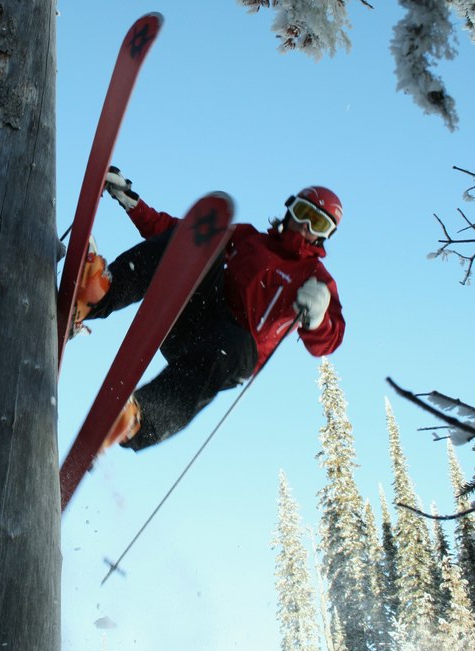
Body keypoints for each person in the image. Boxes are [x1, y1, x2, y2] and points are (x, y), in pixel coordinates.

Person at [79, 170, 345, 451]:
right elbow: (184, 236)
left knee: (236, 344)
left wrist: (316, 318)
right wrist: (132, 203)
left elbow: (330, 339)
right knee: (204, 243)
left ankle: (139, 418)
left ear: (325, 235)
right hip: (192, 316)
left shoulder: (315, 277)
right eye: (303, 212)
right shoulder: (248, 238)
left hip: (226, 352)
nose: (305, 225)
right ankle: (95, 296)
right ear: (290, 209)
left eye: (317, 223)